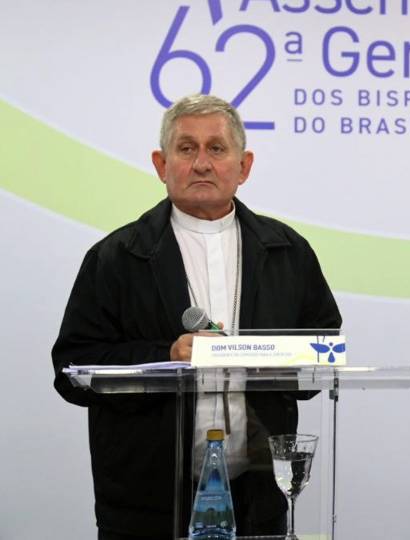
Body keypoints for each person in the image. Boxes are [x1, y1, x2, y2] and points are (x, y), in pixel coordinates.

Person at [52, 94, 341, 539]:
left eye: (216, 148)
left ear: (243, 166)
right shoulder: (116, 258)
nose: (201, 163)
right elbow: (72, 369)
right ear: (161, 164)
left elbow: (323, 345)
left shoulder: (288, 252)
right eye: (186, 148)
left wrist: (267, 360)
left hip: (258, 497)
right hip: (145, 503)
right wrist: (166, 356)